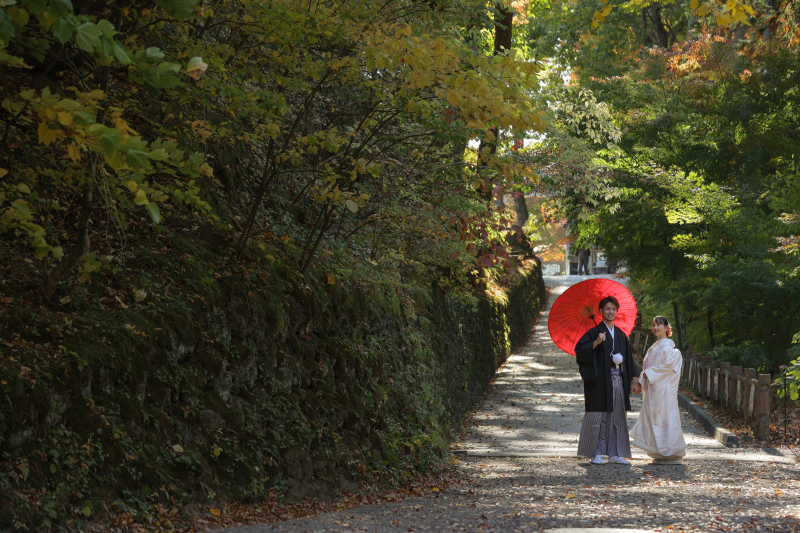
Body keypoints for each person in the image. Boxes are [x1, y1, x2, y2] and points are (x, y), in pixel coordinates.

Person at [575, 296, 641, 465]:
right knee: (598, 416)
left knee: (617, 415)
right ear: (601, 311)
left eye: (613, 309)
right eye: (607, 309)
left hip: (617, 380)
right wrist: (596, 342)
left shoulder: (620, 334)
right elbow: (580, 351)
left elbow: (629, 359)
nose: (610, 311)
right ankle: (595, 452)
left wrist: (634, 380)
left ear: (616, 311)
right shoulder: (593, 332)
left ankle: (615, 453)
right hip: (598, 382)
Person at [630, 316, 687, 465]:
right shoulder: (654, 346)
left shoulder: (669, 348)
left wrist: (646, 374)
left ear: (667, 327)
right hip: (654, 389)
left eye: (659, 325)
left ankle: (672, 452)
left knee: (666, 419)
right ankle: (659, 452)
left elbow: (666, 367)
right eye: (654, 325)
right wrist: (644, 378)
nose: (656, 328)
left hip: (664, 390)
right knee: (654, 418)